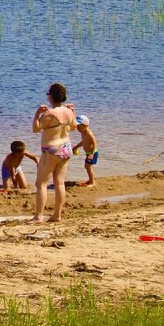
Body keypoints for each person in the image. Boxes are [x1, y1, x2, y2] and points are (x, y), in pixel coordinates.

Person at [31, 82, 77, 223]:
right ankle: (57, 215)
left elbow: (36, 128)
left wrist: (37, 114)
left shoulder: (49, 113)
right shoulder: (69, 111)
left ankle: (39, 216)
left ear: (50, 97)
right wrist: (73, 112)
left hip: (51, 150)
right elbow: (74, 127)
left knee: (41, 184)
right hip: (66, 148)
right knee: (60, 183)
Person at [73, 115, 99, 186]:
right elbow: (83, 142)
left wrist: (91, 154)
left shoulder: (89, 134)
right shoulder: (83, 132)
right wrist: (76, 147)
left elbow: (94, 143)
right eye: (77, 126)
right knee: (87, 167)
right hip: (88, 153)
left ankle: (92, 183)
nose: (77, 128)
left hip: (92, 153)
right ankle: (90, 180)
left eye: (79, 126)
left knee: (88, 167)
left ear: (85, 125)